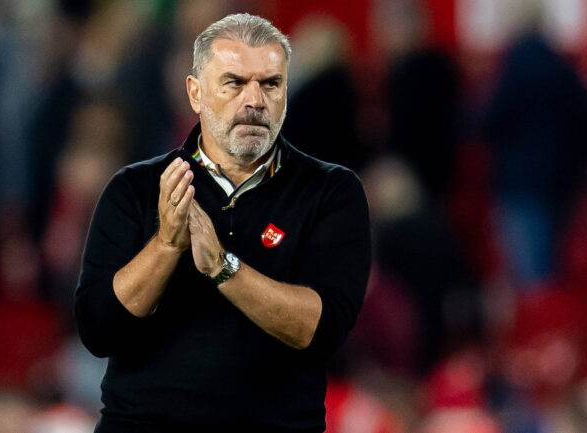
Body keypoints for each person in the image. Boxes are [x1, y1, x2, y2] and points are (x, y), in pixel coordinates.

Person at [74, 13, 371, 433]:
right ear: (195, 93)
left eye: (271, 84)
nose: (255, 101)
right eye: (234, 82)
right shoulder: (135, 188)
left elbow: (320, 329)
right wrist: (166, 246)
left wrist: (221, 267)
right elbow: (97, 330)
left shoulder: (330, 192)